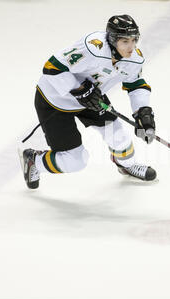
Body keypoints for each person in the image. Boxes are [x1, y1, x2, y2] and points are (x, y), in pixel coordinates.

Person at [19, 14, 156, 189]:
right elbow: (51, 67)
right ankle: (33, 161)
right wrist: (79, 89)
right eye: (125, 41)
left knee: (119, 137)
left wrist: (143, 112)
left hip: (91, 97)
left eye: (134, 40)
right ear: (113, 40)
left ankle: (127, 166)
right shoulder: (92, 48)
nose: (131, 47)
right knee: (75, 161)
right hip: (54, 100)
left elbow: (135, 84)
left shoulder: (134, 58)